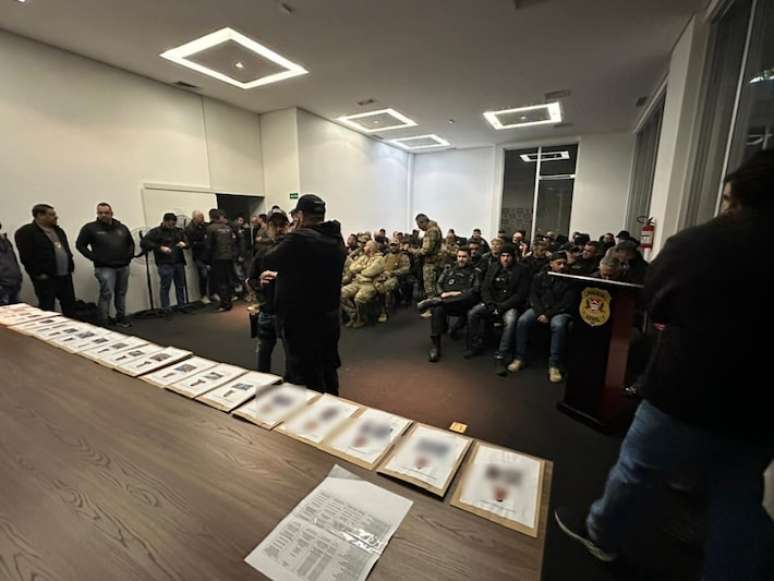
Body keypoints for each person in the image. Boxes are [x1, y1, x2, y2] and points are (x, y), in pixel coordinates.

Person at [555, 150, 774, 581]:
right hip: (762, 404)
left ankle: (601, 535)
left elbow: (655, 301)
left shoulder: (703, 242)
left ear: (740, 196)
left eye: (727, 199)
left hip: (687, 388)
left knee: (636, 469)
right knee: (739, 496)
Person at [262, 194, 347, 394]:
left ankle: (310, 420)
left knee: (303, 374)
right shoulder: (335, 237)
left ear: (299, 215)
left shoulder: (298, 239)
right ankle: (333, 412)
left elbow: (269, 260)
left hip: (300, 319)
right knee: (328, 368)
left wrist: (287, 233)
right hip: (329, 315)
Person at [510, 252, 576, 382]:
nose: (562, 266)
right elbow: (533, 296)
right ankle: (519, 358)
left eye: (564, 263)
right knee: (523, 321)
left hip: (558, 311)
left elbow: (567, 302)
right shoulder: (539, 277)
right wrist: (540, 312)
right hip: (539, 309)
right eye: (559, 263)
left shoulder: (571, 280)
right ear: (551, 264)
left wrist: (548, 314)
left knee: (558, 325)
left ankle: (554, 365)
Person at [465, 245, 531, 374]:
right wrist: (490, 304)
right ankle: (474, 346)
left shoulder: (522, 270)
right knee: (473, 313)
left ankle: (501, 355)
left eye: (508, 256)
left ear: (513, 257)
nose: (505, 259)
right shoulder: (493, 267)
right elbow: (485, 287)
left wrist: (501, 307)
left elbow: (521, 294)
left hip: (509, 305)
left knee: (511, 321)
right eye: (503, 256)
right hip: (492, 303)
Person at [75, 202, 134, 327]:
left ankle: (121, 318)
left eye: (106, 213)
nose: (103, 215)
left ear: (111, 213)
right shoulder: (90, 228)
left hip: (123, 266)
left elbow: (131, 243)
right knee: (106, 294)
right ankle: (103, 321)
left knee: (121, 293)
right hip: (104, 268)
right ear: (97, 214)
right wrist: (95, 258)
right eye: (100, 213)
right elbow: (80, 245)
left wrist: (129, 257)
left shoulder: (121, 227)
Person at [418, 247, 480, 362]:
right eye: (459, 256)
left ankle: (434, 301)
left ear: (469, 258)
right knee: (437, 309)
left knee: (469, 296)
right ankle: (436, 346)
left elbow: (475, 290)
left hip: (463, 304)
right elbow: (439, 283)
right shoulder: (449, 269)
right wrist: (442, 293)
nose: (461, 259)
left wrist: (455, 293)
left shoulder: (475, 272)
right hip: (446, 302)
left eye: (464, 257)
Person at [248, 207, 289, 373]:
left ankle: (292, 392)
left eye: (282, 225)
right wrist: (259, 283)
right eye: (274, 225)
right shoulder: (262, 254)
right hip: (267, 311)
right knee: (263, 356)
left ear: (288, 226)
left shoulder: (294, 252)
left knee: (292, 358)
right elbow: (250, 279)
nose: (278, 229)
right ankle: (264, 392)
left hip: (288, 314)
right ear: (268, 227)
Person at [15, 204, 76, 315]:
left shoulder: (58, 230)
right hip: (46, 278)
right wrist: (38, 274)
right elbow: (26, 257)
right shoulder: (26, 232)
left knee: (70, 306)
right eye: (51, 215)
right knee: (47, 308)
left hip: (64, 276)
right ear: (40, 215)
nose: (55, 217)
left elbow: (64, 249)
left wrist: (70, 265)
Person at [140, 213, 188, 311]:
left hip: (178, 261)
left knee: (180, 285)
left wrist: (185, 245)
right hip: (164, 263)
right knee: (165, 286)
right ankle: (165, 307)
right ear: (164, 221)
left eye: (173, 225)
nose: (172, 227)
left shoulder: (178, 231)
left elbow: (188, 243)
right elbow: (144, 243)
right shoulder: (155, 232)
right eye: (170, 224)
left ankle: (182, 305)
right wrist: (160, 247)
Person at [341, 240, 385, 328]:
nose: (364, 247)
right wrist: (363, 267)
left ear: (372, 248)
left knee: (359, 298)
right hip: (357, 282)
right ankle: (354, 316)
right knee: (341, 293)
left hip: (369, 284)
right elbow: (352, 267)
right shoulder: (363, 257)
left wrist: (360, 270)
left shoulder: (379, 259)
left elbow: (370, 272)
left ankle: (361, 319)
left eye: (366, 246)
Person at [409, 214, 443, 313]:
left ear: (423, 222)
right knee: (435, 286)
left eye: (419, 224)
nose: (419, 227)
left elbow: (425, 250)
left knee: (430, 288)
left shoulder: (431, 231)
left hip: (430, 263)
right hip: (436, 261)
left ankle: (432, 310)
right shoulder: (436, 228)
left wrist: (412, 250)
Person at [206, 210, 238, 312]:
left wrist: (207, 260)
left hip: (217, 258)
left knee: (220, 281)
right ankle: (229, 302)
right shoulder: (228, 228)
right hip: (229, 257)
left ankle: (225, 304)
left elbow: (209, 246)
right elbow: (233, 243)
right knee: (228, 280)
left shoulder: (210, 229)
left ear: (211, 217)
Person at [375, 240, 410, 322]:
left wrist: (393, 273)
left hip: (396, 278)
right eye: (392, 245)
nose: (393, 247)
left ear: (399, 246)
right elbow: (380, 266)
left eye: (395, 245)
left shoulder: (403, 256)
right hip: (384, 276)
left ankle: (384, 311)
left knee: (385, 287)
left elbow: (406, 269)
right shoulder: (386, 256)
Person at [185, 211, 211, 304]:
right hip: (199, 256)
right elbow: (192, 243)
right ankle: (203, 295)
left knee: (212, 275)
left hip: (208, 255)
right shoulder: (189, 229)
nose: (203, 219)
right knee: (203, 275)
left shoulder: (206, 226)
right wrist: (204, 241)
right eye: (200, 217)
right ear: (195, 218)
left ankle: (213, 293)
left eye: (203, 217)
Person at [0, 222, 23, 306]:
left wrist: (19, 276)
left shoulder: (5, 240)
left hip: (14, 282)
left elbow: (13, 259)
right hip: (2, 285)